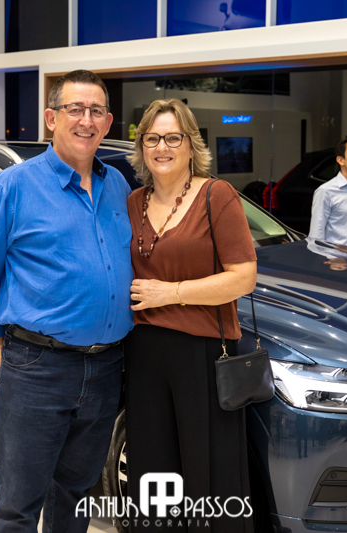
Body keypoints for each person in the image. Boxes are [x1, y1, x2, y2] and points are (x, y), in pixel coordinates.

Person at [0, 69, 133, 533]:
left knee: (76, 496)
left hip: (105, 369)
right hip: (38, 368)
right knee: (18, 506)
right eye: (76, 109)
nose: (87, 120)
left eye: (96, 111)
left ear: (108, 122)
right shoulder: (12, 187)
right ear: (52, 119)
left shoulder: (118, 185)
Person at [124, 99, 257, 532]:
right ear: (142, 146)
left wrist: (172, 292)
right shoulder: (133, 202)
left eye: (172, 137)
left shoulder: (217, 195)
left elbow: (244, 278)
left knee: (206, 472)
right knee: (153, 469)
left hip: (202, 354)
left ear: (190, 144)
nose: (161, 147)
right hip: (144, 354)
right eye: (152, 138)